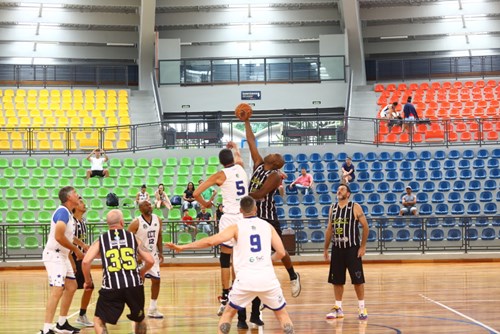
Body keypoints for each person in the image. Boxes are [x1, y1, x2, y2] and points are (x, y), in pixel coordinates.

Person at [165, 196, 295, 334]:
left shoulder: (236, 227)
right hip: (267, 278)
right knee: (282, 316)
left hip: (245, 279)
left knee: (228, 314)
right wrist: (268, 260)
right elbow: (281, 252)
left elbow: (210, 241)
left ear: (240, 210)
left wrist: (182, 247)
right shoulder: (267, 226)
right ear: (256, 209)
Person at [244, 118, 301, 299]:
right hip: (252, 217)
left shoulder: (275, 176)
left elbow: (260, 194)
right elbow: (252, 142)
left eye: (276, 155)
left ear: (276, 163)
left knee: (280, 250)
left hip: (268, 217)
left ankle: (293, 275)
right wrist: (246, 122)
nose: (273, 154)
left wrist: (242, 196)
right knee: (255, 255)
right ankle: (260, 293)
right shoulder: (259, 164)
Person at [192, 141, 250, 317]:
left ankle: (226, 296)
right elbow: (239, 158)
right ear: (232, 158)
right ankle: (239, 291)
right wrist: (236, 149)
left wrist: (206, 204)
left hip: (230, 218)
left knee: (225, 257)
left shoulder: (220, 175)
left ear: (220, 162)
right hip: (244, 217)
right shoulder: (241, 168)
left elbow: (195, 193)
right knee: (239, 258)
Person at [82, 210, 154, 334]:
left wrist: (88, 281)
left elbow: (85, 262)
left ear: (108, 224)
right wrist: (141, 272)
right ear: (122, 222)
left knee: (99, 320)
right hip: (134, 284)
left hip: (111, 286)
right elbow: (150, 261)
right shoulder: (133, 238)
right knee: (140, 318)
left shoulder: (101, 240)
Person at [40, 186, 84, 334]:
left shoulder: (69, 214)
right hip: (54, 255)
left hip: (63, 256)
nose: (78, 196)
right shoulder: (62, 212)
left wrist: (82, 244)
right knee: (58, 289)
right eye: (75, 193)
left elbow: (68, 235)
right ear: (68, 197)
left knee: (72, 286)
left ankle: (62, 323)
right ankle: (47, 329)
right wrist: (77, 250)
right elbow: (59, 236)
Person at [323, 184, 369, 321]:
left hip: (352, 249)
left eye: (342, 189)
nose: (339, 190)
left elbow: (366, 227)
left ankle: (362, 307)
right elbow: (329, 229)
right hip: (337, 248)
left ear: (348, 194)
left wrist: (363, 246)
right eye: (338, 189)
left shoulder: (355, 207)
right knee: (337, 281)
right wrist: (325, 248)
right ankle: (338, 308)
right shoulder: (333, 208)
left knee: (358, 280)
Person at [127, 200, 165, 319]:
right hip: (140, 255)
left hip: (153, 255)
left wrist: (161, 252)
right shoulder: (135, 222)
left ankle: (153, 309)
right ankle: (137, 309)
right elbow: (128, 240)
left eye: (150, 204)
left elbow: (159, 236)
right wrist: (135, 254)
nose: (149, 206)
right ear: (140, 208)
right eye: (146, 205)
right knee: (139, 283)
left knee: (157, 280)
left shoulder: (158, 219)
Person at [72, 197, 94, 328]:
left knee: (89, 286)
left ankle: (82, 315)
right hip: (71, 258)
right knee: (67, 288)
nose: (84, 203)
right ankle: (60, 319)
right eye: (80, 202)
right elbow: (68, 236)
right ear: (75, 206)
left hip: (81, 258)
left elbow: (81, 240)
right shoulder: (71, 221)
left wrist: (86, 248)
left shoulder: (83, 221)